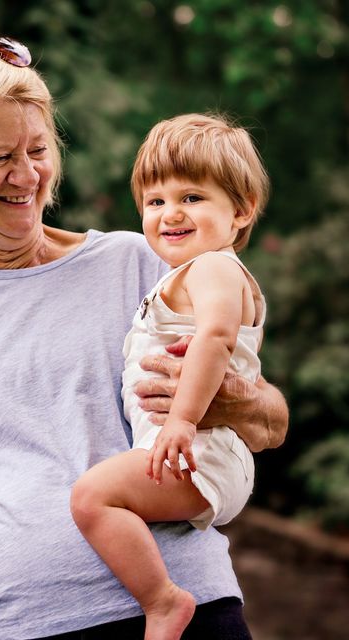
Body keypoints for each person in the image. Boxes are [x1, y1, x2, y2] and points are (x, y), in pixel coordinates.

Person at [0, 38, 287, 640]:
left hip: (182, 612)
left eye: (37, 149)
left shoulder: (147, 262)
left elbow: (272, 423)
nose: (27, 175)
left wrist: (229, 400)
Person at [70, 113, 271, 640]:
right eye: (156, 202)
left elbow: (217, 340)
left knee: (92, 498)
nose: (170, 213)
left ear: (241, 210)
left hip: (196, 447)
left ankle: (162, 602)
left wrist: (182, 419)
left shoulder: (212, 269)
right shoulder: (194, 274)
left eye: (192, 198)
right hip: (198, 448)